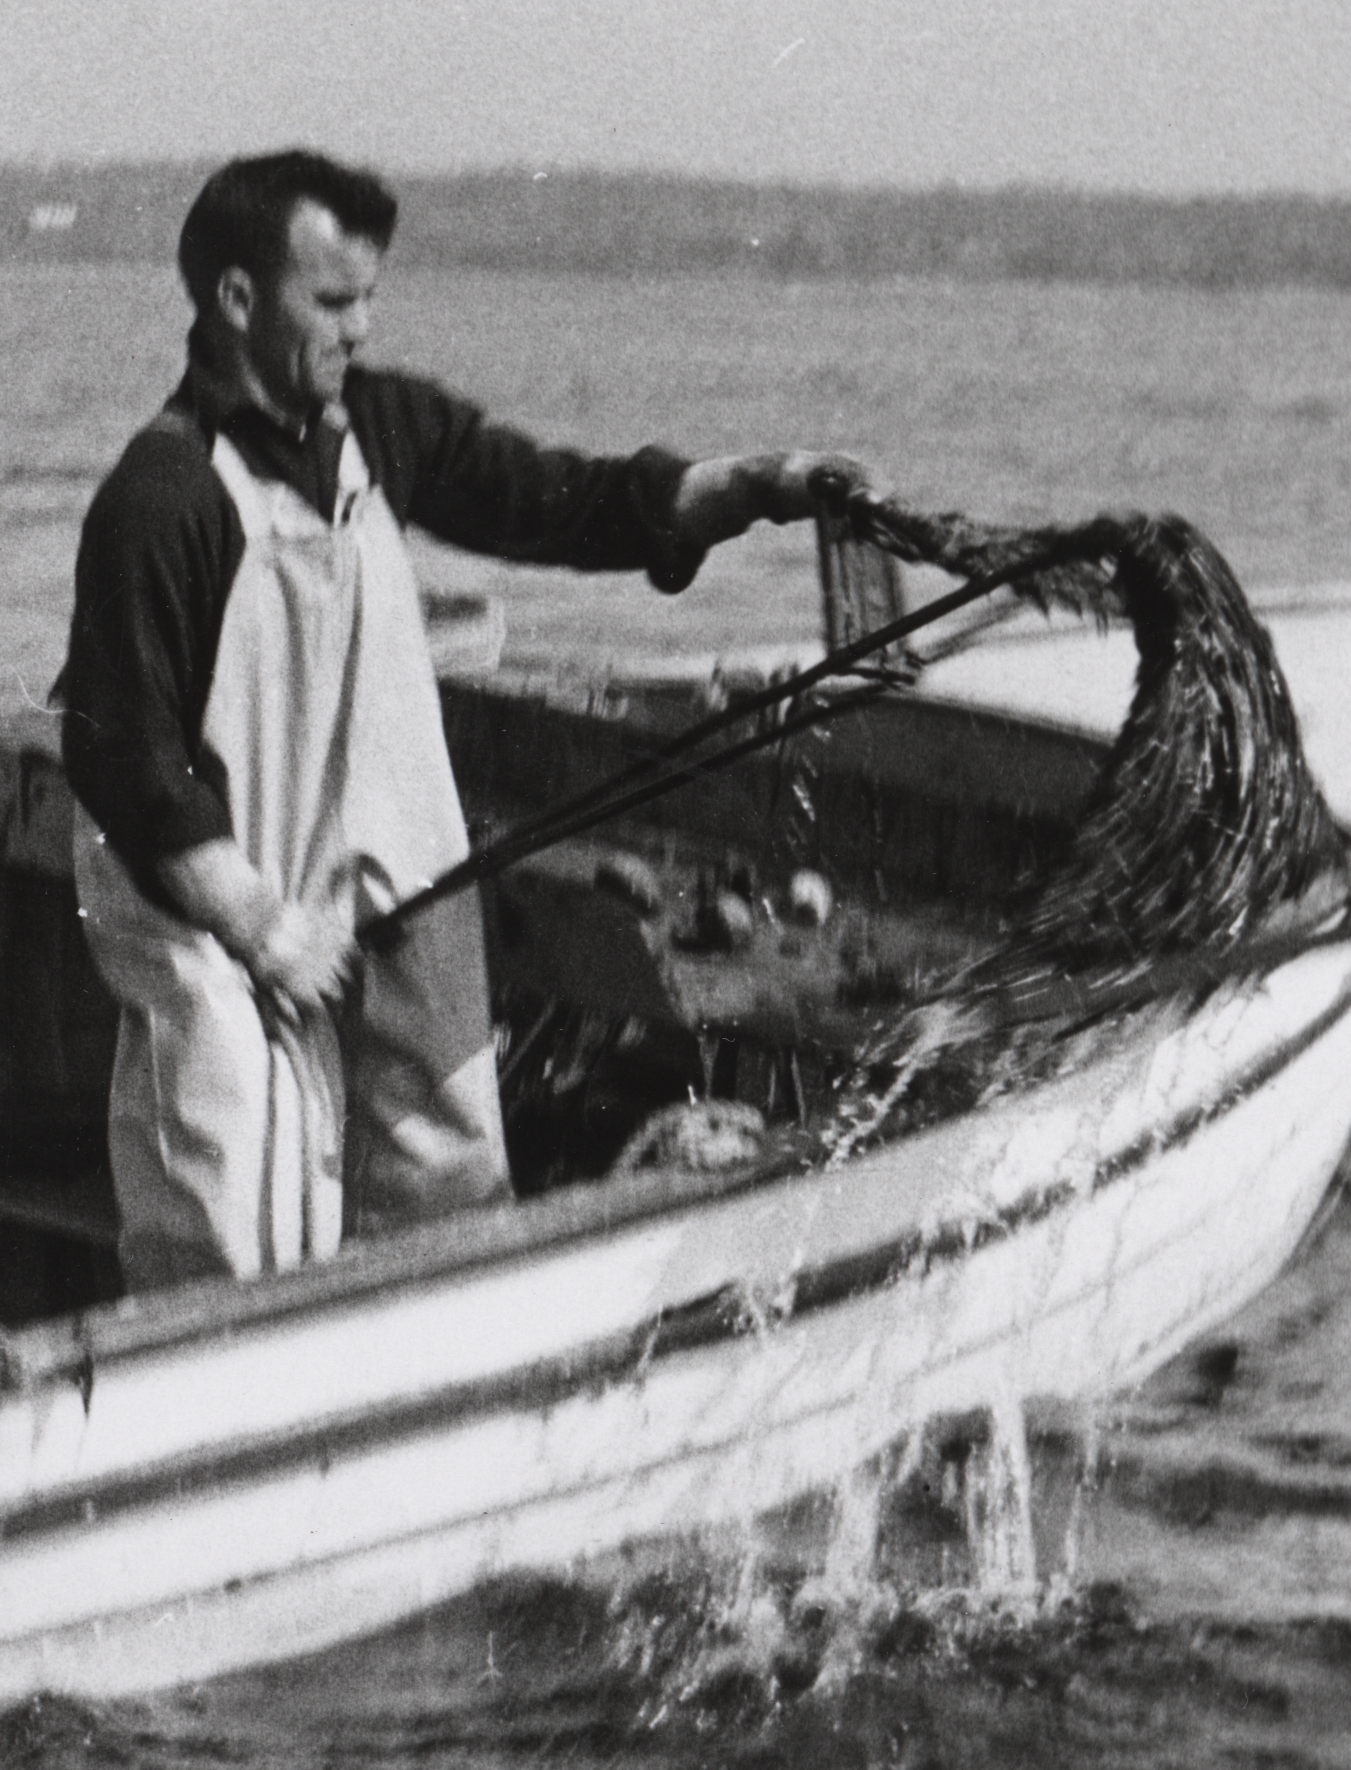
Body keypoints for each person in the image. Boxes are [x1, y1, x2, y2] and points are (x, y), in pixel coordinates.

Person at [57, 148, 871, 1291]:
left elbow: (542, 495)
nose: (361, 328)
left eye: (370, 298)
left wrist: (741, 489)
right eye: (333, 301)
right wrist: (250, 917)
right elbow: (116, 746)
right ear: (235, 301)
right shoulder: (161, 495)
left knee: (449, 1173)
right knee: (228, 1213)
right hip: (222, 910)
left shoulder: (373, 432)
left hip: (394, 882)